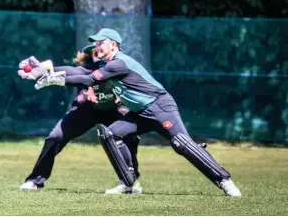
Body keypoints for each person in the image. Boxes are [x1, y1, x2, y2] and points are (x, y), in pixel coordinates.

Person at [35, 28, 241, 196]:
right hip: (139, 112)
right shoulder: (108, 63)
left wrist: (54, 79)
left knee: (181, 144)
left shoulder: (119, 63)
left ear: (113, 45)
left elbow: (90, 79)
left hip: (160, 107)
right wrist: (49, 72)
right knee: (112, 133)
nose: (97, 46)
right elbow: (81, 73)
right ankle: (128, 183)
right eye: (96, 43)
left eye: (101, 42)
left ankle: (224, 180)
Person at [17, 45, 143, 194]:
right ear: (91, 56)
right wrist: (40, 69)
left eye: (101, 48)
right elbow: (63, 71)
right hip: (85, 112)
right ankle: (35, 180)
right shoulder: (84, 70)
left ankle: (130, 182)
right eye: (95, 51)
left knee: (129, 138)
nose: (99, 53)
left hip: (113, 112)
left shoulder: (119, 68)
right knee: (54, 137)